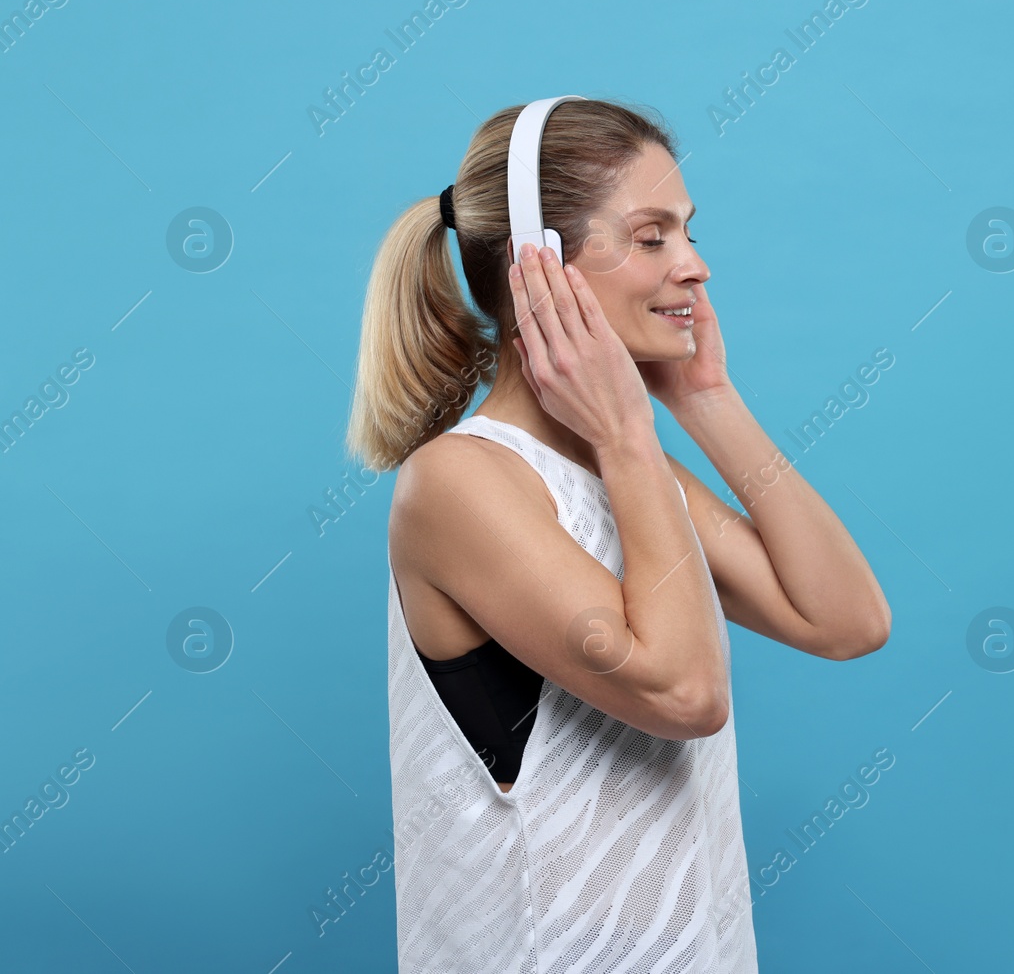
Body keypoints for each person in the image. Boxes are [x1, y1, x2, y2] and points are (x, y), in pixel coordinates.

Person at [345, 97, 892, 972]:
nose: (697, 266)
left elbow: (846, 620)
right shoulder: (460, 482)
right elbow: (685, 695)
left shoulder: (625, 473)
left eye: (689, 232)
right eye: (652, 237)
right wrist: (630, 435)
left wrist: (706, 402)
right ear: (541, 271)